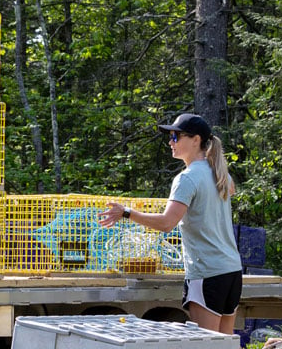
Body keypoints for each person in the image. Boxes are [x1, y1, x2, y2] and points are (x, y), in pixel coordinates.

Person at [99, 112, 243, 334]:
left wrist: (126, 213)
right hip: (231, 270)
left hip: (208, 272)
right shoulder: (220, 174)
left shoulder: (187, 178)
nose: (170, 141)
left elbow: (167, 223)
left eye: (176, 136)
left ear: (196, 140)